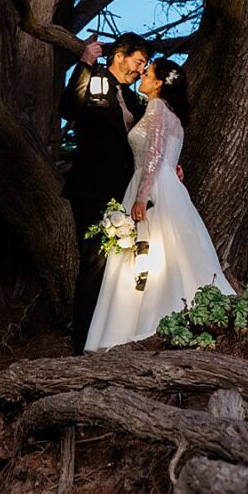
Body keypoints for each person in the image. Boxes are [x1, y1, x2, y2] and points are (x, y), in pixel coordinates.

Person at [83, 58, 235, 352]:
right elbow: (162, 153)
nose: (142, 73)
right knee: (164, 253)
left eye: (148, 72)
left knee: (149, 252)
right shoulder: (172, 115)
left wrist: (142, 197)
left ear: (159, 83)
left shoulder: (156, 107)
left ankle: (143, 324)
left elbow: (153, 154)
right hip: (167, 186)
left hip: (152, 186)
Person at [59, 32, 151, 355]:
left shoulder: (135, 100)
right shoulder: (95, 81)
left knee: (122, 266)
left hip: (126, 192)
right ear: (119, 55)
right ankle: (83, 343)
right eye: (138, 61)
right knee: (94, 263)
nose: (140, 70)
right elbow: (68, 108)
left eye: (145, 65)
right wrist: (84, 64)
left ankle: (112, 338)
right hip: (92, 189)